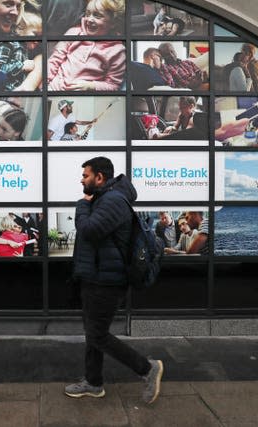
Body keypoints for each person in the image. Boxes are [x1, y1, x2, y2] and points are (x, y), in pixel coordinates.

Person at [64, 156, 163, 403]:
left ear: (100, 178)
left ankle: (147, 369)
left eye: (86, 175)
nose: (82, 180)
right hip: (96, 278)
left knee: (97, 335)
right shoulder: (105, 199)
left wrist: (82, 205)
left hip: (106, 282)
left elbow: (89, 230)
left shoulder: (113, 201)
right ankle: (93, 382)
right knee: (93, 333)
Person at [47, 0, 126, 91]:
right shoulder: (74, 32)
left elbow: (113, 85)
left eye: (97, 15)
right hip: (54, 88)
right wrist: (45, 84)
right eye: (87, 14)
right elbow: (54, 60)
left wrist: (91, 86)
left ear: (113, 23)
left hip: (83, 98)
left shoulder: (117, 51)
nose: (89, 19)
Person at [0, 11, 42, 91]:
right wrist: (21, 66)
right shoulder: (8, 44)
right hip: (4, 93)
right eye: (35, 34)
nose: (37, 40)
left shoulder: (25, 50)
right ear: (20, 30)